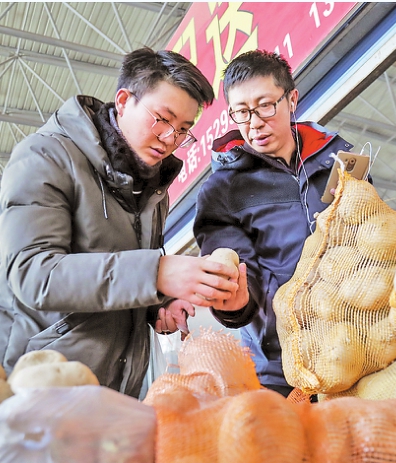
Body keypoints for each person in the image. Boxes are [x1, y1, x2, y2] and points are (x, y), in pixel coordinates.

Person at [0, 46, 240, 398]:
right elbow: (33, 274)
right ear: (124, 101)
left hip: (115, 391)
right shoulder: (45, 156)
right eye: (162, 119)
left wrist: (158, 304)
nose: (170, 139)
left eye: (183, 129)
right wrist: (156, 274)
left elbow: (116, 273)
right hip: (39, 385)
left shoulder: (152, 187)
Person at [193, 49, 354, 397]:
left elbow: (368, 234)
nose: (254, 122)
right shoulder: (223, 190)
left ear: (291, 99)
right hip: (281, 364)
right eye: (241, 112)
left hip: (355, 340)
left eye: (265, 106)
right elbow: (239, 270)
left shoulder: (336, 160)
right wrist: (236, 303)